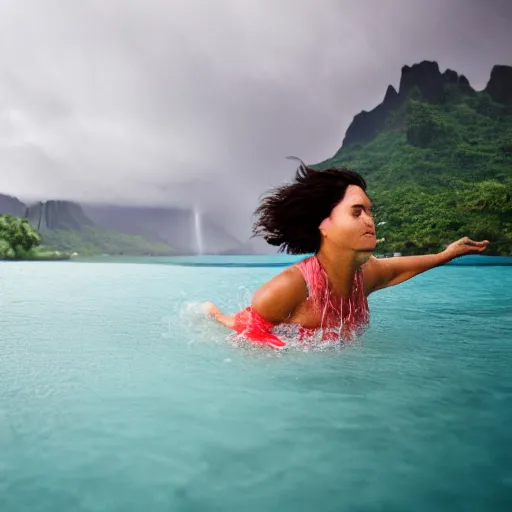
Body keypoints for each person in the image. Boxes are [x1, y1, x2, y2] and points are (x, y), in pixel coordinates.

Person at [204, 161, 490, 348]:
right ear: (324, 224)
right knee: (221, 319)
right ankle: (212, 313)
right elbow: (250, 338)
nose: (369, 220)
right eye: (356, 212)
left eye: (369, 211)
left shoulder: (366, 275)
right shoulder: (288, 288)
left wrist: (448, 253)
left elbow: (401, 268)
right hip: (249, 325)